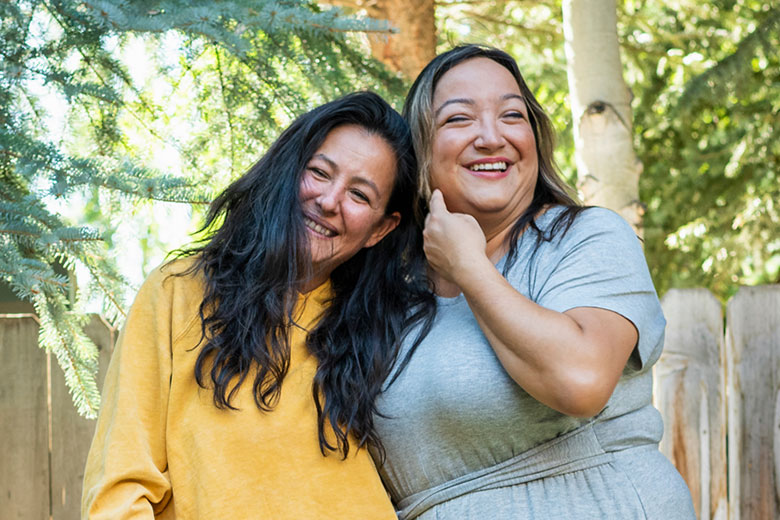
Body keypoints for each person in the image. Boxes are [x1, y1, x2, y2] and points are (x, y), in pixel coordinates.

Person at [370, 45, 696, 519]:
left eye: (511, 115)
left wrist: (469, 266)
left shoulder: (587, 238)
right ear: (419, 151)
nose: (490, 136)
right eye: (459, 119)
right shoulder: (387, 290)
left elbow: (580, 380)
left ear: (535, 137)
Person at [81, 91, 434, 519]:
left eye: (359, 196)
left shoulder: (394, 332)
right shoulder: (179, 294)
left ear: (381, 228)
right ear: (289, 171)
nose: (329, 200)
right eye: (320, 172)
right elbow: (120, 489)